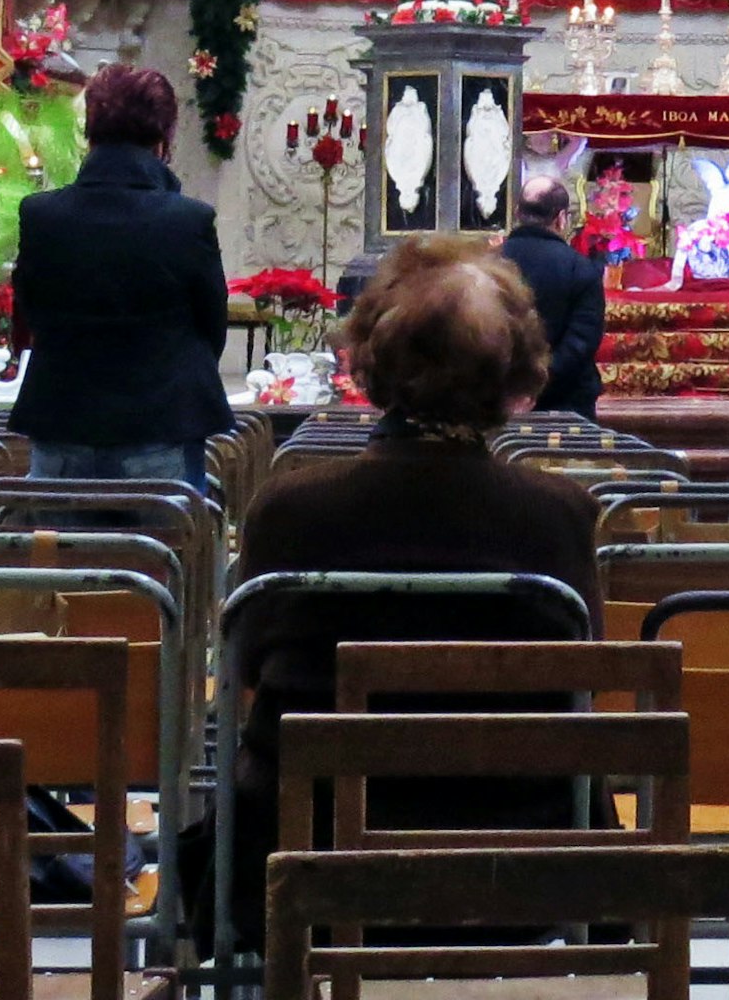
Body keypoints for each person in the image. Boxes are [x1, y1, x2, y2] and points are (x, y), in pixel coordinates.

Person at [202, 239, 601, 942]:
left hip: (311, 858)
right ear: (518, 372)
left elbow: (241, 678)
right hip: (520, 867)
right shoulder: (558, 513)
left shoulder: (292, 508)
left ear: (371, 361)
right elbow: (586, 685)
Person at [5, 62, 233, 486]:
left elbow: (32, 314)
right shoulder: (188, 220)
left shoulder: (41, 215)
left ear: (89, 129)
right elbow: (211, 326)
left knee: (62, 551)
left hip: (62, 422)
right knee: (168, 552)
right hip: (162, 423)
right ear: (164, 136)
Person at [496, 169, 607, 418]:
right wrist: (536, 385)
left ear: (517, 214)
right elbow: (580, 343)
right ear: (561, 219)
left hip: (495, 399)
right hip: (566, 404)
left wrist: (513, 387)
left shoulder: (488, 264)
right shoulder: (581, 268)